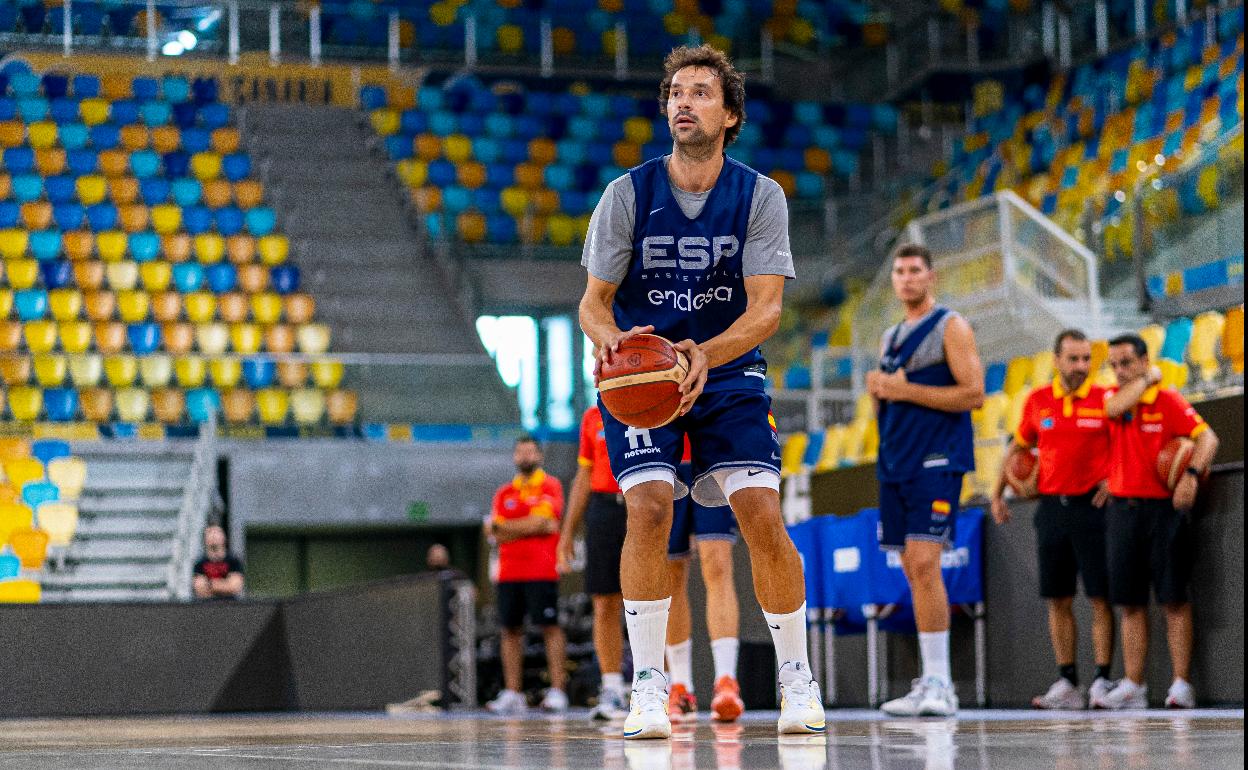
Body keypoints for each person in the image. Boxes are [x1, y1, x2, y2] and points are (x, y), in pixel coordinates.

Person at [580, 44, 824, 740]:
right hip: (643, 375)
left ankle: (796, 678)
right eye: (675, 93)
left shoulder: (759, 196)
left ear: (731, 115)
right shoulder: (627, 195)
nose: (683, 102)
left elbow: (766, 311)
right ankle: (649, 686)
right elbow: (593, 304)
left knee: (762, 516)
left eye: (700, 93)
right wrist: (615, 344)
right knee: (649, 509)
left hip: (728, 371)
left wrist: (702, 356)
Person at [867, 243, 984, 717]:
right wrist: (880, 394)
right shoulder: (890, 337)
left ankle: (942, 682)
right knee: (913, 569)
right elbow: (892, 401)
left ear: (931, 276)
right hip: (896, 461)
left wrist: (903, 389)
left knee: (923, 560)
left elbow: (974, 393)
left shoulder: (950, 326)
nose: (907, 278)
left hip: (937, 459)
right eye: (899, 271)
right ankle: (929, 679)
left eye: (915, 270)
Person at [990, 328, 1116, 709]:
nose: (1080, 365)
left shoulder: (1106, 398)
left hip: (1093, 508)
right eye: (1073, 358)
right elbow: (1017, 449)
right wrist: (997, 493)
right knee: (1057, 599)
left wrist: (1114, 478)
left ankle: (1102, 680)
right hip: (1052, 510)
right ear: (1057, 360)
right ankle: (1067, 681)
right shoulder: (1038, 401)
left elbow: (1127, 445)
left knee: (1100, 597)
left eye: (1086, 358)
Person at [1095, 334, 1219, 709]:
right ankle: (1134, 684)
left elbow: (1208, 439)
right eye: (1114, 365)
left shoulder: (1168, 401)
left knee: (1174, 599)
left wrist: (1191, 475)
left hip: (1163, 511)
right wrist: (1146, 379)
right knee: (1130, 603)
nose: (1119, 371)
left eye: (1127, 363)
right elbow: (1114, 408)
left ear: (1144, 360)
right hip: (1122, 511)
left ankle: (1181, 684)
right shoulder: (1112, 397)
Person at [484, 435, 570, 715]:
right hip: (509, 572)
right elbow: (494, 531)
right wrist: (530, 525)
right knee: (509, 630)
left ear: (539, 456)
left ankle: (557, 691)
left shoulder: (550, 486)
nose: (525, 456)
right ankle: (513, 692)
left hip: (541, 569)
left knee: (549, 627)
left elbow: (546, 523)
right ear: (514, 456)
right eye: (520, 451)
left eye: (530, 451)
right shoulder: (504, 492)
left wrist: (508, 528)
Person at [557, 405, 630, 721]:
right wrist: (567, 532)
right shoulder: (591, 416)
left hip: (641, 500)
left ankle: (663, 684)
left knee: (652, 600)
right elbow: (584, 475)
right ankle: (612, 688)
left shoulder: (649, 399)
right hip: (603, 508)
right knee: (604, 601)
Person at [664, 457, 744, 723]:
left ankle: (726, 681)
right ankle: (681, 686)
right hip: (667, 457)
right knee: (671, 573)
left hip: (711, 456)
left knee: (718, 564)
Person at [192, 525, 244, 600]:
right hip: (206, 605)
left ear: (224, 537)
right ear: (204, 539)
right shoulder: (199, 563)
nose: (213, 536)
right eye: (210, 533)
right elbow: (199, 589)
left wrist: (208, 584)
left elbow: (235, 587)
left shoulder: (233, 561)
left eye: (217, 533)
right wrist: (225, 585)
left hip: (230, 605)